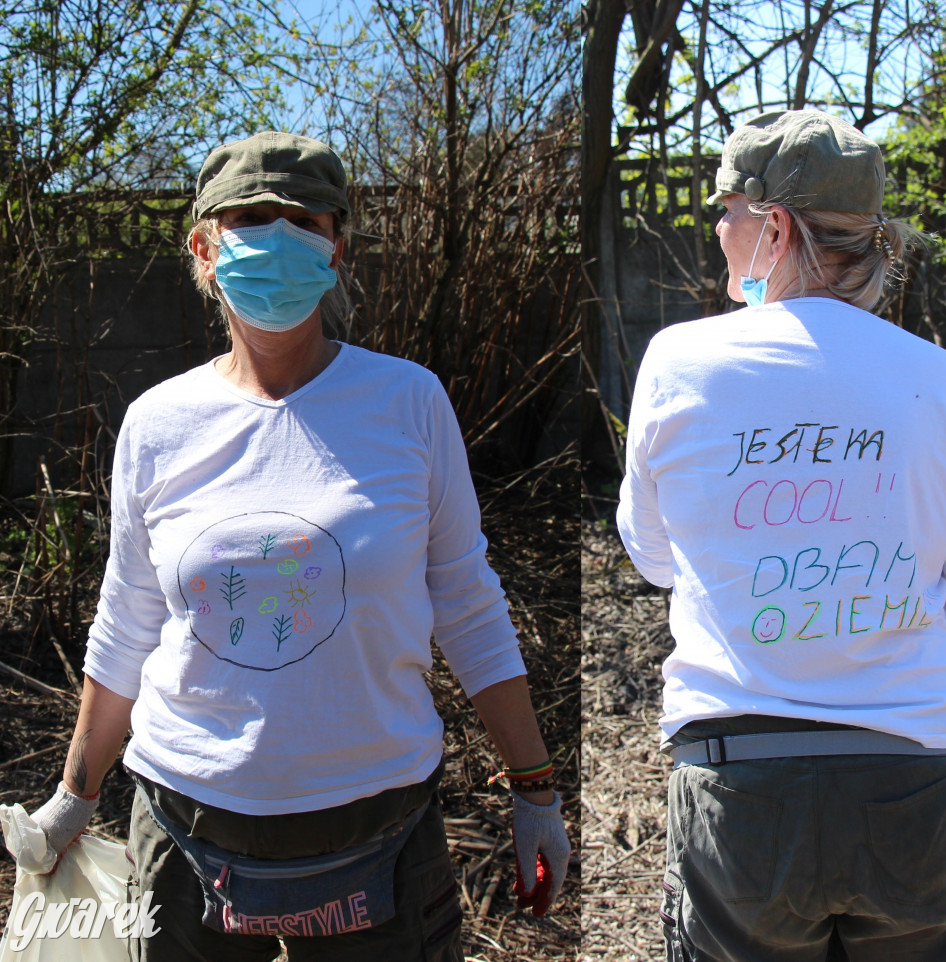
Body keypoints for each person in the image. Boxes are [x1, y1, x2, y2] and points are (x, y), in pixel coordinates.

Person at [21, 130, 570, 961]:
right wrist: (74, 796)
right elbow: (128, 620)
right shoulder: (157, 424)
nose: (277, 238)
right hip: (185, 833)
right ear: (203, 247)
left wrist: (535, 791)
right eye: (250, 217)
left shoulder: (408, 404)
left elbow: (467, 605)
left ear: (337, 246)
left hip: (377, 832)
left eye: (302, 219)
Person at [617, 110, 946, 961]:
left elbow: (652, 556)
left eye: (726, 207)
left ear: (776, 224)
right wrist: (937, 723)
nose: (716, 229)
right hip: (923, 787)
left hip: (741, 788)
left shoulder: (678, 362)